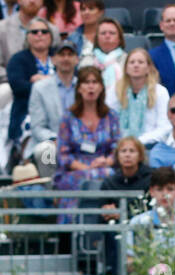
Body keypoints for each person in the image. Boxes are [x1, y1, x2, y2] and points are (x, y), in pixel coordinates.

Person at [54, 65, 118, 221]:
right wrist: (85, 167)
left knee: (110, 176)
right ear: (79, 88)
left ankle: (105, 222)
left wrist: (106, 161)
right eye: (86, 82)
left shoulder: (111, 116)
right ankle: (72, 228)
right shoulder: (68, 117)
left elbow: (117, 148)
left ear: (101, 87)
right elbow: (63, 154)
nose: (91, 86)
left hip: (103, 166)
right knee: (83, 177)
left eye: (95, 82)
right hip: (75, 168)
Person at [23, 35, 77, 177]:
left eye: (70, 54)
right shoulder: (40, 88)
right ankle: (51, 192)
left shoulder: (84, 86)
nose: (66, 58)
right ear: (53, 59)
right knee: (46, 150)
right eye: (61, 54)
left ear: (77, 59)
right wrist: (56, 139)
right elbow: (37, 127)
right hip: (50, 140)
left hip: (78, 140)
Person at [6, 15, 54, 148]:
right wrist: (53, 84)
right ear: (27, 36)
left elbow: (72, 81)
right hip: (28, 113)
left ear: (51, 36)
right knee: (45, 149)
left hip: (60, 113)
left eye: (44, 32)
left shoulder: (60, 55)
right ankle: (30, 163)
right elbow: (19, 86)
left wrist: (41, 81)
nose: (40, 34)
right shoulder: (18, 59)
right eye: (34, 32)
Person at [125, 165, 175, 250]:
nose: (164, 194)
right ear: (151, 191)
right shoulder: (138, 222)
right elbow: (130, 259)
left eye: (170, 189)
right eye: (159, 189)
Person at [108, 48, 169, 143]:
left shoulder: (160, 92)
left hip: (150, 145)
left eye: (140, 62)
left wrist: (139, 142)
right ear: (126, 68)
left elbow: (164, 127)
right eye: (132, 62)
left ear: (148, 68)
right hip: (119, 145)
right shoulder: (115, 90)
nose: (136, 65)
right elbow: (108, 121)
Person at [98, 135, 152, 224]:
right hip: (115, 227)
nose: (127, 155)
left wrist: (122, 214)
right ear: (117, 156)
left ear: (140, 156)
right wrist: (107, 211)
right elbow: (102, 211)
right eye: (123, 151)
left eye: (132, 151)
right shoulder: (109, 183)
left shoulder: (152, 178)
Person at [89, 17, 125, 96]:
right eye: (103, 33)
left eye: (112, 33)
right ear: (97, 38)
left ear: (119, 38)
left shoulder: (128, 60)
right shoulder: (87, 60)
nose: (107, 36)